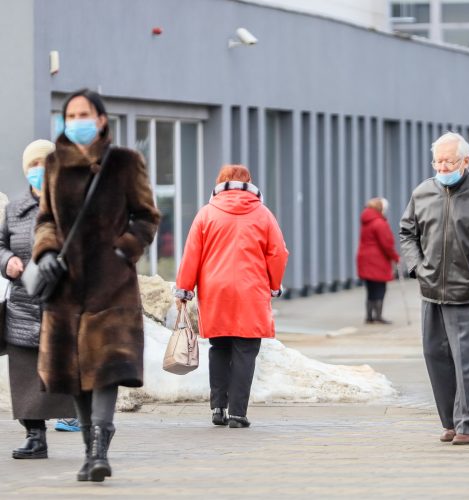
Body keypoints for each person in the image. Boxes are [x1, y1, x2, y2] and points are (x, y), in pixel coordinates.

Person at [31, 89, 160, 481]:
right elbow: (46, 220)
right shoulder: (54, 163)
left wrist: (123, 252)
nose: (76, 120)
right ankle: (89, 451)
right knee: (73, 373)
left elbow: (147, 215)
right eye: (70, 114)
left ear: (101, 119)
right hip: (66, 287)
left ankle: (100, 451)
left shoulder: (124, 162)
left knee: (106, 368)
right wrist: (47, 253)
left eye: (84, 113)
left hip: (111, 286)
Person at [400, 132, 469, 445]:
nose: (442, 166)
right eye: (438, 161)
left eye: (449, 161)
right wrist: (417, 267)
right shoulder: (423, 192)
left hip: (468, 293)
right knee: (435, 355)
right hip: (431, 291)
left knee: (467, 360)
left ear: (465, 161)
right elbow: (407, 233)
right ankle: (451, 422)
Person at [175, 165, 288, 428]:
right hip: (251, 289)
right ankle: (238, 413)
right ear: (249, 183)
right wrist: (274, 284)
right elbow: (278, 252)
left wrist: (184, 289)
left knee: (219, 347)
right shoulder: (263, 214)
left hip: (215, 291)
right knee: (246, 350)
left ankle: (218, 407)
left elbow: (192, 253)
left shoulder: (207, 213)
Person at [0, 139, 77, 459]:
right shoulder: (14, 210)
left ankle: (86, 425)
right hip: (22, 305)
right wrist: (7, 261)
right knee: (25, 376)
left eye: (45, 164)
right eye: (33, 165)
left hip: (60, 304)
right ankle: (34, 436)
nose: (39, 171)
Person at [356, 197, 399, 324]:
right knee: (380, 288)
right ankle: (378, 316)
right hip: (377, 260)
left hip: (365, 258)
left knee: (370, 289)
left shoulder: (366, 221)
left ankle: (369, 316)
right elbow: (387, 244)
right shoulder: (379, 223)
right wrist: (395, 257)